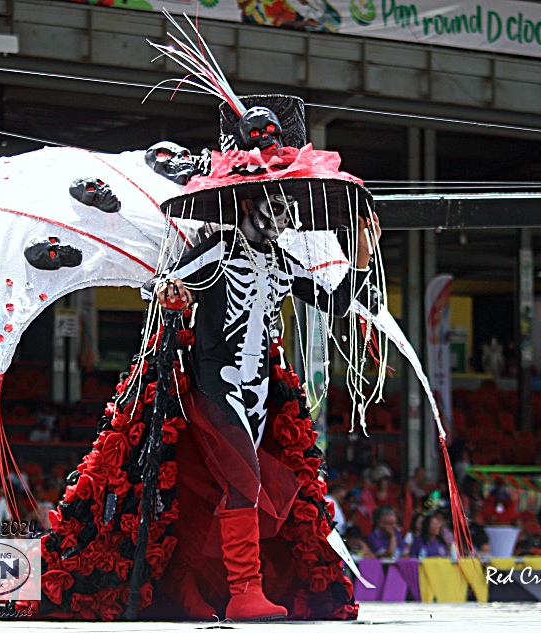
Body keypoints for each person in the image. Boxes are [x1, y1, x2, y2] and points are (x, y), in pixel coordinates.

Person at [149, 193, 380, 620]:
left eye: (289, 208)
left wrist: (361, 258)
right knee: (243, 480)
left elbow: (336, 303)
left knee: (228, 487)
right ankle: (243, 590)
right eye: (274, 205)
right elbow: (161, 286)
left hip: (259, 386)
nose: (283, 216)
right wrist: (173, 294)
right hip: (215, 378)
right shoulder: (218, 250)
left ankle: (190, 583)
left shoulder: (280, 260)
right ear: (246, 206)